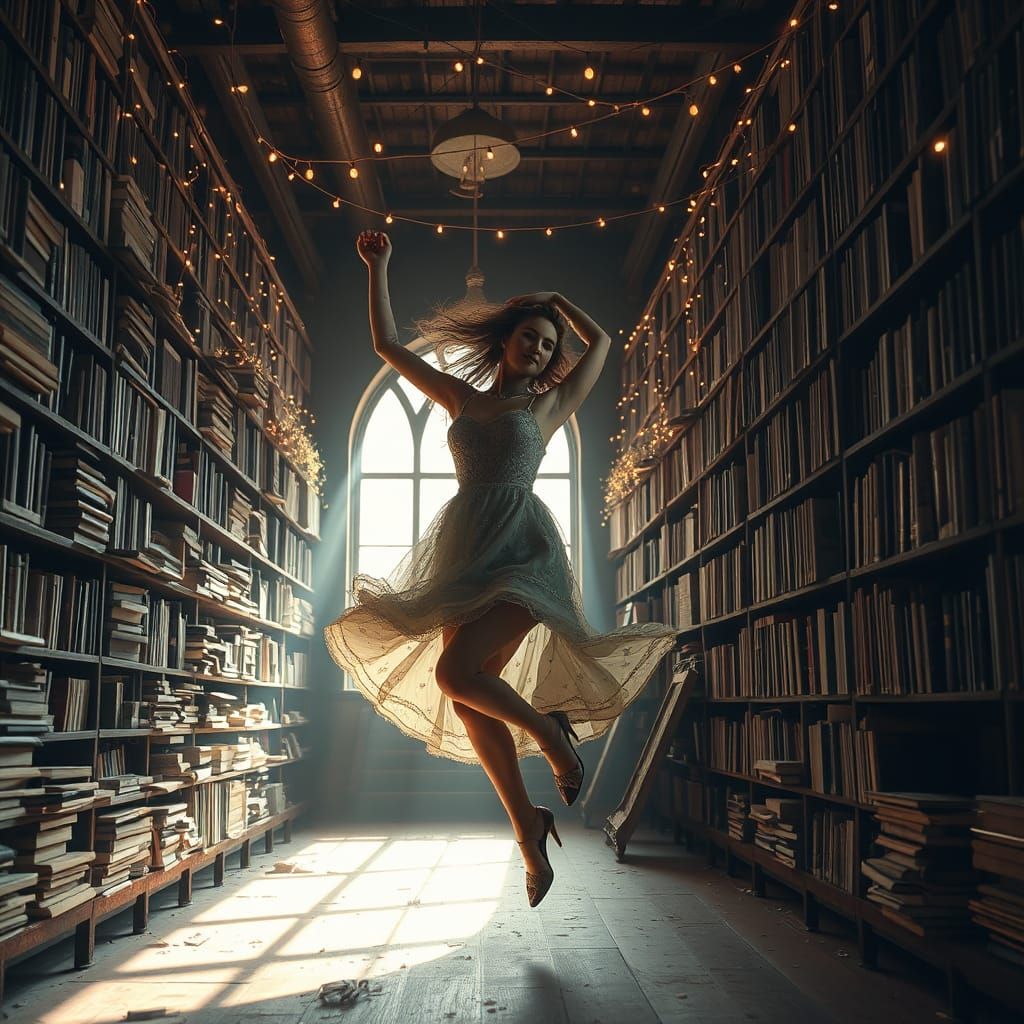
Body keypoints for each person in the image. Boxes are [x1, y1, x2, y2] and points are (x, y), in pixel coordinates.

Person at [323, 230, 680, 907]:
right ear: (507, 339)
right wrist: (379, 265)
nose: (541, 349)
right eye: (533, 337)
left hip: (523, 551)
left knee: (457, 675)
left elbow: (601, 344)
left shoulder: (546, 408)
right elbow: (387, 347)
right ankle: (528, 831)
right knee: (465, 689)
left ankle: (551, 734)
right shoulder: (463, 397)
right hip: (465, 550)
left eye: (549, 344)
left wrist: (560, 301)